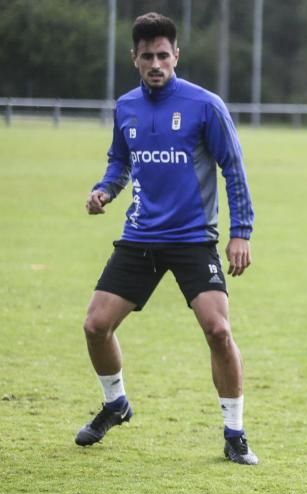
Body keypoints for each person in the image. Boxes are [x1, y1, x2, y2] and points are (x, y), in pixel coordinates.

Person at [75, 12, 258, 465]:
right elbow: (120, 163)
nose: (156, 63)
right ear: (134, 59)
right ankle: (116, 403)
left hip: (195, 239)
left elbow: (233, 168)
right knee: (96, 326)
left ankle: (234, 433)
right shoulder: (126, 108)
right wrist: (105, 190)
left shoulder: (204, 105)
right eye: (147, 56)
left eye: (163, 55)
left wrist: (241, 233)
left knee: (218, 329)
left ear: (176, 55)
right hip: (140, 237)